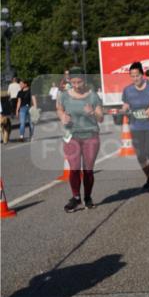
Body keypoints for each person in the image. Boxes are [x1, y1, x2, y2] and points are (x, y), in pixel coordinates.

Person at [56, 68, 103, 211]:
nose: (76, 85)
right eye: (73, 82)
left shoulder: (93, 96)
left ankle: (88, 197)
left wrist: (93, 112)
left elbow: (101, 117)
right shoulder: (64, 96)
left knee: (88, 170)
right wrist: (62, 116)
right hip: (71, 136)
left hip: (90, 136)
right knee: (74, 168)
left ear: (85, 80)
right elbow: (59, 109)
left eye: (79, 82)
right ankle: (76, 198)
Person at [121, 62, 149, 190]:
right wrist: (124, 109)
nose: (135, 78)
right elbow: (126, 104)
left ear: (142, 75)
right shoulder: (127, 90)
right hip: (136, 126)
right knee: (140, 154)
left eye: (137, 75)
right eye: (132, 76)